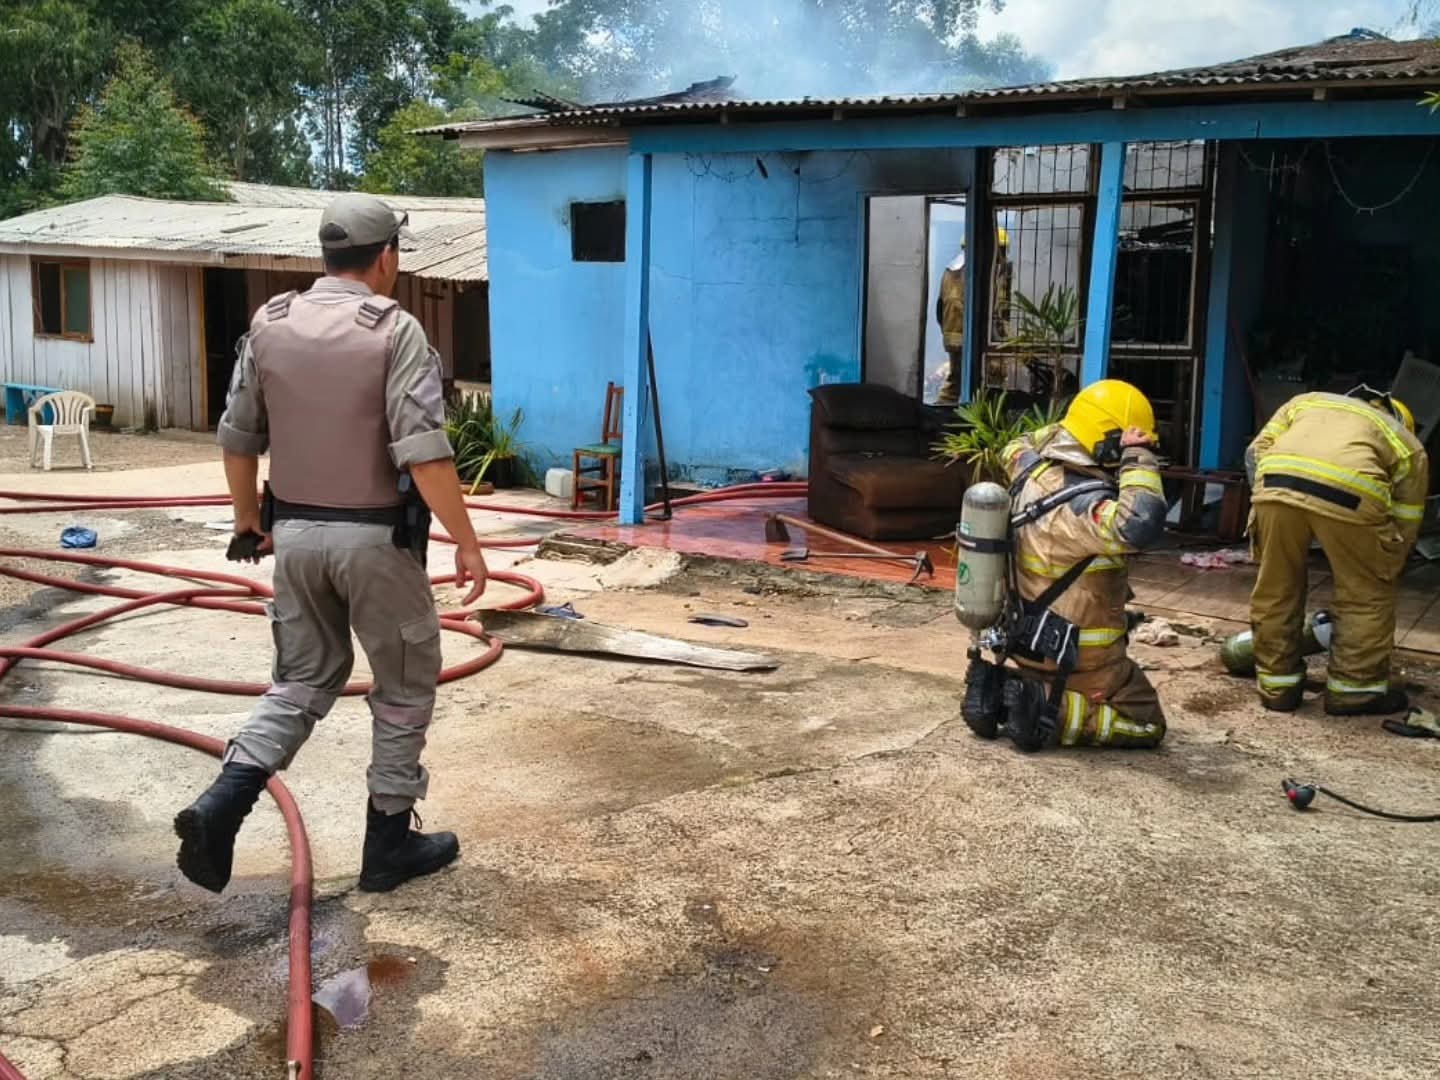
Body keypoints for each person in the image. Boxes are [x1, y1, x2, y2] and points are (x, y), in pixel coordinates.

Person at [174, 193, 491, 895]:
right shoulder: (396, 330)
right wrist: (467, 543)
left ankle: (222, 803)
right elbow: (424, 453)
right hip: (377, 542)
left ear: (327, 256)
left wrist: (248, 521)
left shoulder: (271, 322)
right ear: (387, 258)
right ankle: (387, 845)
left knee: (302, 678)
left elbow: (237, 437)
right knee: (404, 684)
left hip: (295, 538)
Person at [986, 379, 1170, 751]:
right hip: (1079, 662)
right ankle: (1050, 709)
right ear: (1110, 444)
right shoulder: (1087, 509)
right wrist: (1138, 456)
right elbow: (1140, 523)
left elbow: (1016, 443)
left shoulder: (1026, 468)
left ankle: (1011, 689)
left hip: (1024, 642)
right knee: (1147, 723)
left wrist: (1072, 427)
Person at [1246, 387, 1428, 715]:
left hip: (1275, 485)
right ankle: (1354, 692)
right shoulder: (1406, 442)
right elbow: (1407, 514)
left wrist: (1270, 502)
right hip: (1353, 495)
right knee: (1365, 595)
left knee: (1276, 586)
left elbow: (1256, 451)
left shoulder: (1305, 402)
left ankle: (1277, 687)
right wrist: (1388, 560)